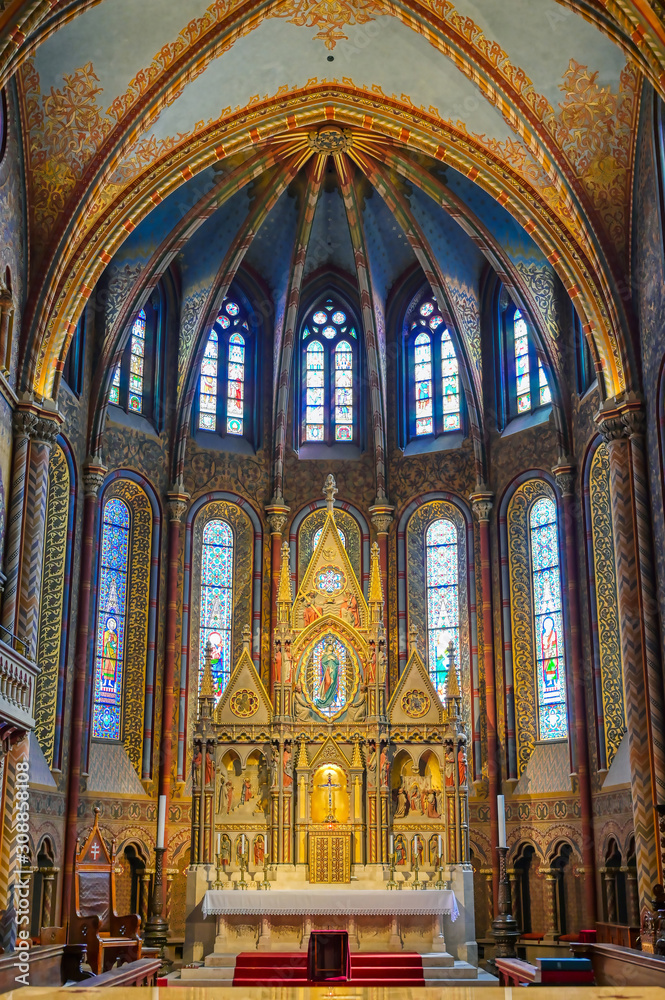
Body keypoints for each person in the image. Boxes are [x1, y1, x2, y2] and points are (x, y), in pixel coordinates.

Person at [315, 642, 340, 710]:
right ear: (327, 648)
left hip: (334, 671)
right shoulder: (325, 655)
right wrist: (328, 658)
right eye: (330, 646)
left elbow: (337, 662)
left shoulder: (334, 655)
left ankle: (329, 697)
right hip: (327, 670)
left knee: (332, 683)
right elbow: (323, 662)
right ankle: (324, 696)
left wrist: (333, 658)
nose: (331, 647)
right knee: (328, 682)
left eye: (332, 646)